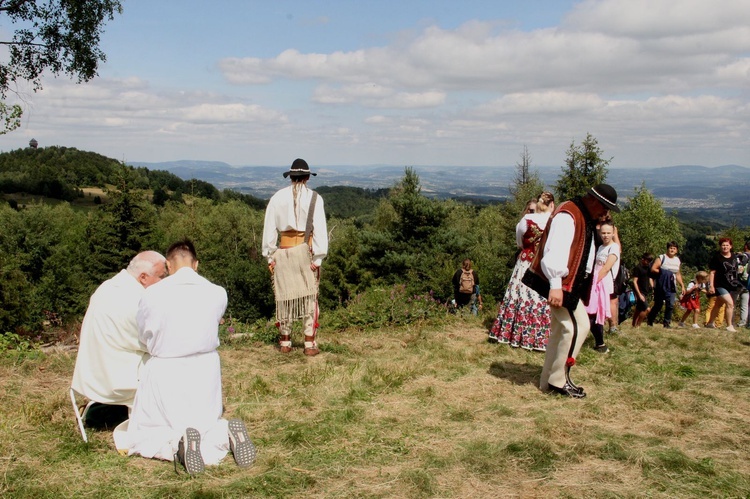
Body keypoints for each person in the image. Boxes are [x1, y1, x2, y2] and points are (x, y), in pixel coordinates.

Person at [115, 240, 255, 474]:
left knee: (151, 431)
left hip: (167, 371)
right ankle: (224, 433)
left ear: (169, 265)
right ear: (196, 264)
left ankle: (178, 445)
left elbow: (144, 333)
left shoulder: (153, 294)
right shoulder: (217, 292)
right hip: (205, 370)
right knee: (207, 422)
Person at [523, 184, 620, 398]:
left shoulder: (579, 214)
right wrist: (556, 285)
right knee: (578, 327)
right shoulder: (569, 215)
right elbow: (554, 251)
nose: (605, 214)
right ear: (595, 202)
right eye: (604, 208)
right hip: (560, 284)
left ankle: (547, 380)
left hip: (566, 284)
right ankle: (559, 380)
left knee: (560, 331)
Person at [71, 251, 168, 428]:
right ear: (144, 277)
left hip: (91, 375)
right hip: (115, 380)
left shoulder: (108, 287)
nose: (165, 282)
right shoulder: (136, 302)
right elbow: (158, 343)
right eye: (162, 277)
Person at [262, 158, 328, 356]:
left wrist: (270, 256)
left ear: (290, 177)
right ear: (307, 177)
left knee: (285, 297)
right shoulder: (315, 198)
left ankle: (285, 342)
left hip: (282, 250)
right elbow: (320, 230)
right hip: (305, 252)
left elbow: (269, 230)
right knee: (309, 297)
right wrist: (318, 258)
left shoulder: (276, 198)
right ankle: (309, 344)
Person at [489, 192, 554, 350]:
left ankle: (515, 334)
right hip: (544, 264)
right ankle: (541, 338)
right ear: (551, 205)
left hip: (526, 262)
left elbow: (520, 241)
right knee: (541, 298)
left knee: (520, 295)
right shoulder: (554, 221)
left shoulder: (526, 220)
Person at [585, 222, 619, 353]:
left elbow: (606, 268)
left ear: (613, 233)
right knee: (592, 311)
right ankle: (599, 342)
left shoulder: (614, 248)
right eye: (603, 233)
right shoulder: (600, 248)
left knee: (595, 312)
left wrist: (592, 283)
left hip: (602, 283)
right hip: (596, 281)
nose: (605, 235)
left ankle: (600, 343)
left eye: (608, 233)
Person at [706, 238, 744, 332]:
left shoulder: (734, 256)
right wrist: (711, 285)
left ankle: (710, 323)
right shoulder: (717, 257)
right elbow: (712, 272)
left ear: (731, 246)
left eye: (727, 245)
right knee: (730, 303)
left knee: (718, 304)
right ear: (720, 246)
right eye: (723, 245)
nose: (725, 247)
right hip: (719, 284)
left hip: (730, 284)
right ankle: (729, 326)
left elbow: (737, 267)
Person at [647, 242, 685, 328]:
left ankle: (666, 323)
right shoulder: (661, 257)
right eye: (670, 248)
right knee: (658, 304)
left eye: (674, 248)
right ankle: (650, 320)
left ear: (677, 250)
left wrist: (682, 285)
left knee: (670, 304)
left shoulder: (677, 260)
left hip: (671, 285)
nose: (672, 250)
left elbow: (678, 274)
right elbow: (653, 269)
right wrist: (665, 273)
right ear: (667, 249)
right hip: (661, 285)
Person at [631, 253, 654, 328]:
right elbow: (634, 281)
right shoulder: (638, 268)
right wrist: (639, 294)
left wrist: (653, 287)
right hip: (639, 291)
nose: (648, 262)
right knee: (647, 309)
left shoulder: (648, 268)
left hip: (645, 291)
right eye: (647, 260)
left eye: (649, 261)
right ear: (643, 259)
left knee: (638, 309)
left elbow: (650, 278)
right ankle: (638, 325)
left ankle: (633, 325)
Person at [735, 241, 750, 327]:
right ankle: (743, 322)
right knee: (745, 304)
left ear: (745, 246)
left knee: (731, 303)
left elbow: (739, 269)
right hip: (748, 283)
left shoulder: (743, 256)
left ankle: (729, 321)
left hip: (739, 282)